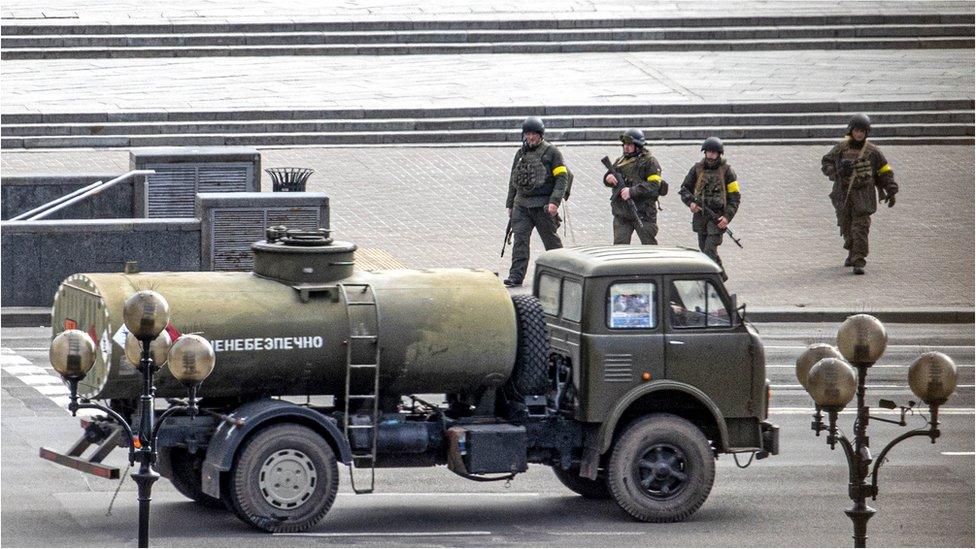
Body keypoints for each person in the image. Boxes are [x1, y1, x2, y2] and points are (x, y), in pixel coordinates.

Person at [821, 114, 898, 275]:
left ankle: (859, 260)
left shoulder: (872, 151)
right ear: (851, 130)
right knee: (847, 227)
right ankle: (852, 251)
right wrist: (835, 171)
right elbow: (827, 161)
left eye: (863, 131)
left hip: (864, 196)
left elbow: (884, 170)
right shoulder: (841, 148)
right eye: (857, 130)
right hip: (843, 195)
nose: (859, 134)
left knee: (860, 228)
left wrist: (891, 189)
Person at [503, 116, 568, 287]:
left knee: (551, 242)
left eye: (533, 134)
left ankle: (564, 272)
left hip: (543, 206)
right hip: (522, 205)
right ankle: (516, 275)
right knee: (520, 242)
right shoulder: (520, 153)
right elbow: (513, 180)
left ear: (540, 135)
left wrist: (555, 202)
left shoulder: (552, 153)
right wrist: (510, 203)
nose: (530, 138)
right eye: (527, 134)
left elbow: (562, 178)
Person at [678, 137, 740, 281]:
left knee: (709, 250)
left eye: (714, 153)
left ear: (719, 154)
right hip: (701, 216)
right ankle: (721, 276)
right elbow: (684, 189)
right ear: (704, 153)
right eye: (709, 152)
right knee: (703, 248)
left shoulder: (727, 171)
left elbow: (734, 198)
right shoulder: (697, 169)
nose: (711, 155)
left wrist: (726, 217)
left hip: (717, 217)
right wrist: (691, 204)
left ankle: (714, 280)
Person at [603, 128, 667, 245]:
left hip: (643, 213)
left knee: (649, 247)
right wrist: (608, 178)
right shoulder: (621, 160)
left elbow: (654, 185)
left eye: (629, 144)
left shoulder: (650, 162)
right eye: (625, 145)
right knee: (620, 247)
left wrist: (631, 191)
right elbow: (609, 175)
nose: (626, 147)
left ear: (638, 145)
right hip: (622, 214)